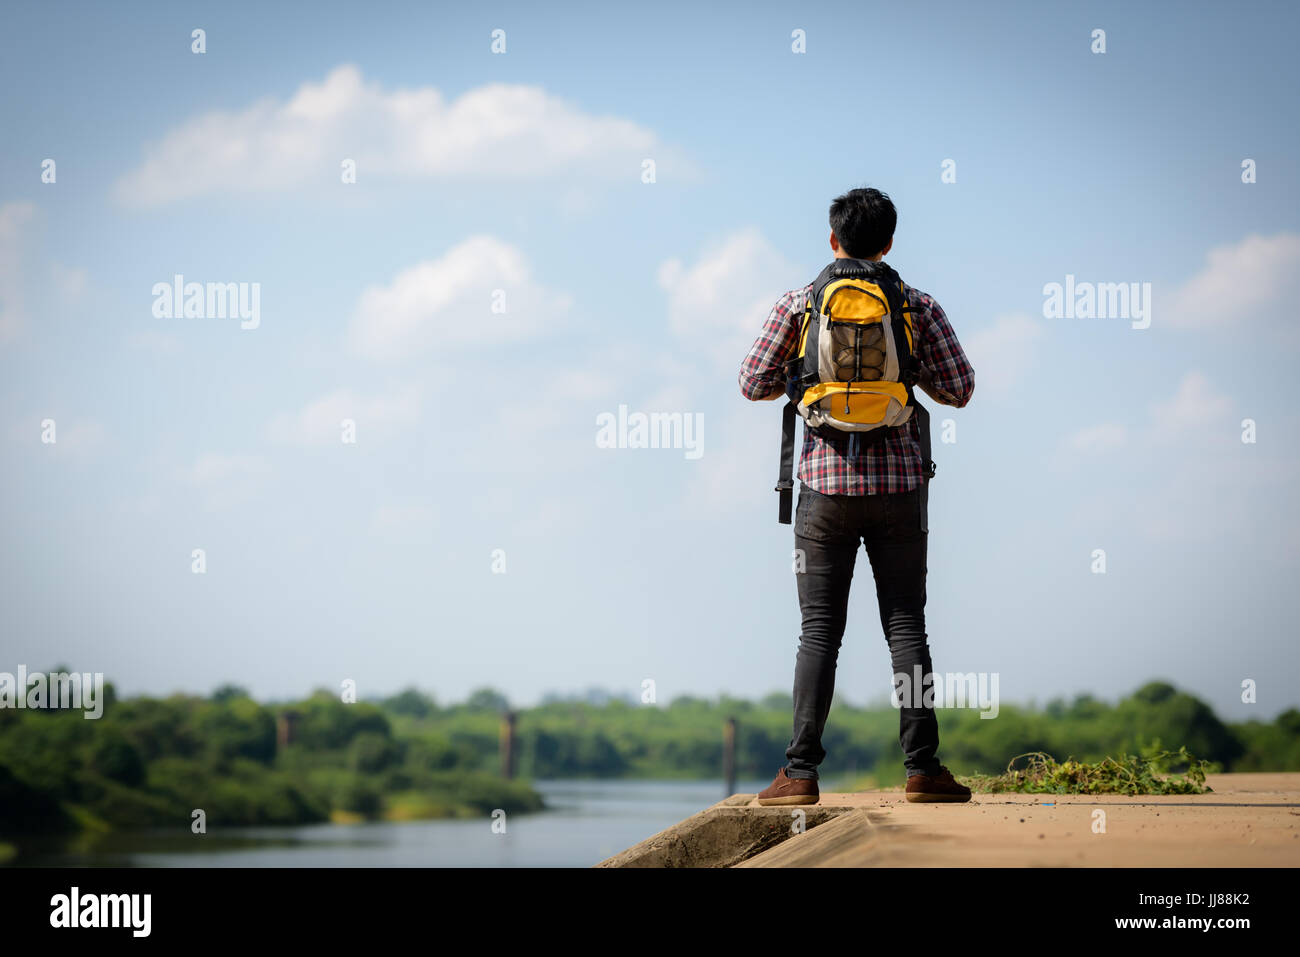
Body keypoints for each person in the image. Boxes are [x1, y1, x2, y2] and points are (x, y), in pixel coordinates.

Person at [738, 187, 976, 805]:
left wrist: (807, 375)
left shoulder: (800, 304)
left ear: (832, 240)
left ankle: (799, 774)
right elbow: (959, 389)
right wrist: (902, 370)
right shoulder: (917, 305)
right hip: (900, 488)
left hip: (821, 489)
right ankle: (923, 769)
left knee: (818, 631)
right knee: (907, 626)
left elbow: (752, 383)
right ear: (890, 242)